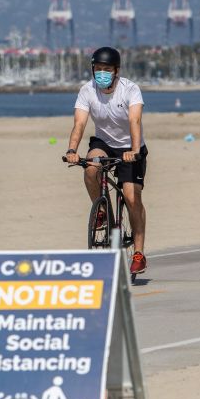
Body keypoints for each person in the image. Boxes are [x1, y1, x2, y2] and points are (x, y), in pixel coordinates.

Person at [64, 46, 149, 275]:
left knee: (132, 198)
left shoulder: (130, 89)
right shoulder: (87, 90)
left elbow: (135, 121)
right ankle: (102, 211)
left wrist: (133, 150)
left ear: (116, 71)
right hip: (103, 143)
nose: (102, 73)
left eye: (107, 69)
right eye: (98, 69)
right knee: (91, 167)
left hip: (130, 147)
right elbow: (79, 123)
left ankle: (139, 253)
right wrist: (72, 149)